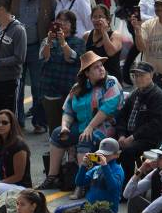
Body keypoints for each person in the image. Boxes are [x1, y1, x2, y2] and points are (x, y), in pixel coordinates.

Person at [39, 52, 122, 190]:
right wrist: (65, 126)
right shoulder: (77, 88)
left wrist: (90, 127)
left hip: (105, 126)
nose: (101, 69)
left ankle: (81, 184)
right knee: (57, 133)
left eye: (101, 65)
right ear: (87, 73)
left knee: (86, 138)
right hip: (84, 126)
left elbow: (108, 108)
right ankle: (52, 177)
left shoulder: (110, 82)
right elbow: (68, 110)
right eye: (96, 67)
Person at [113, 62, 162, 184]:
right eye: (136, 75)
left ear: (151, 75)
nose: (138, 78)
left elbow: (155, 125)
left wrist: (132, 137)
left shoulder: (158, 97)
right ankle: (112, 182)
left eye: (141, 75)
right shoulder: (135, 94)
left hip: (148, 139)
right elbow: (122, 116)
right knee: (108, 144)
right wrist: (122, 135)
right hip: (129, 136)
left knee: (127, 152)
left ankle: (126, 186)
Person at [38, 10, 84, 132]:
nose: (62, 23)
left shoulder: (78, 42)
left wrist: (63, 42)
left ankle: (70, 150)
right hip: (50, 89)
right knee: (53, 124)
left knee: (70, 124)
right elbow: (44, 57)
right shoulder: (47, 40)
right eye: (59, 20)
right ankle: (54, 148)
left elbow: (72, 58)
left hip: (69, 90)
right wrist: (49, 41)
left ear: (72, 25)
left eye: (66, 21)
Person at [0, 0, 26, 118]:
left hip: (10, 81)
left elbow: (19, 58)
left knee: (8, 117)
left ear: (1, 9)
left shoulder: (18, 30)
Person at [0, 110, 32, 198]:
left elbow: (18, 176)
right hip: (3, 185)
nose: (0, 125)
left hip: (21, 187)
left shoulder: (19, 146)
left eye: (4, 123)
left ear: (12, 125)